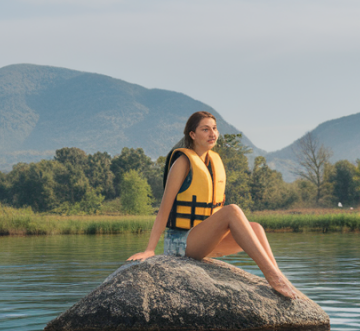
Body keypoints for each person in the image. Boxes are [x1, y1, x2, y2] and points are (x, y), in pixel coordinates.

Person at [128, 111, 305, 300]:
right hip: (181, 243)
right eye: (205, 129)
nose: (212, 133)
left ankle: (278, 275)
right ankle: (273, 277)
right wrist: (150, 249)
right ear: (192, 135)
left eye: (214, 128)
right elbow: (164, 210)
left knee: (256, 228)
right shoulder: (182, 163)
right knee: (233, 211)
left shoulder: (213, 162)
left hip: (204, 240)